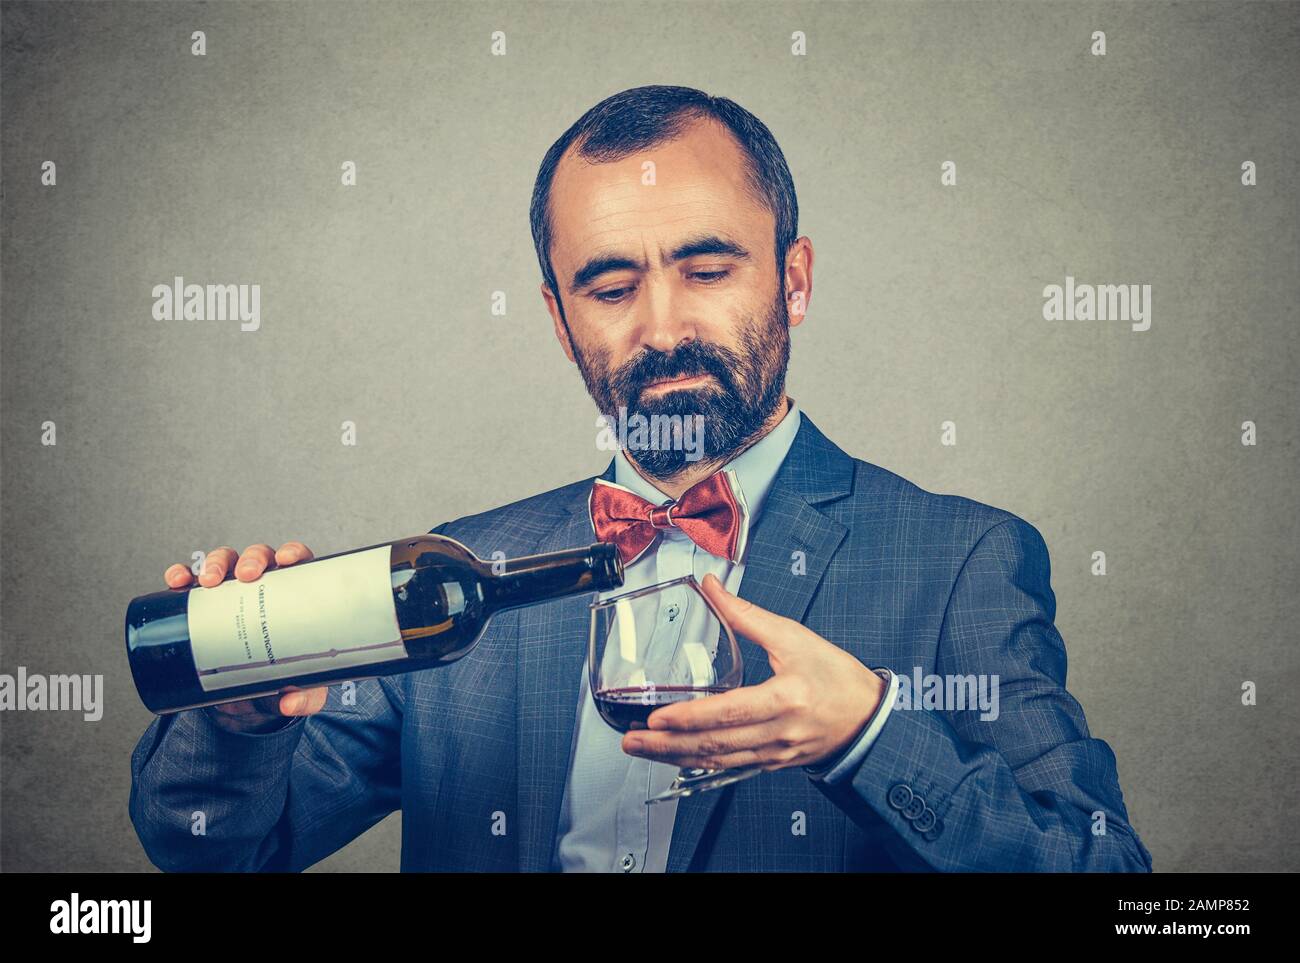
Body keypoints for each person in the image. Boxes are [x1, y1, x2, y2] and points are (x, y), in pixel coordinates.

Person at [129, 85, 1153, 872]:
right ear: (558, 317)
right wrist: (238, 718)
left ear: (792, 281)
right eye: (610, 286)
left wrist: (867, 736)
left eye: (708, 272)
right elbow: (221, 852)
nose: (662, 327)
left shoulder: (962, 560)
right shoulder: (449, 575)